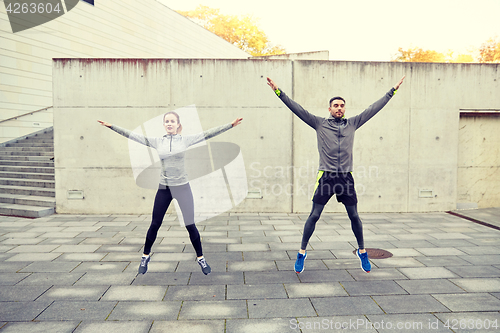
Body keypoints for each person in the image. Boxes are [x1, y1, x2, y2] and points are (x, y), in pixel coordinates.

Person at [267, 76, 405, 273]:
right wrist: (278, 91)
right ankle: (301, 252)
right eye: (335, 105)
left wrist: (392, 91)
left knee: (354, 216)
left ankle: (362, 251)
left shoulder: (353, 123)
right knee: (314, 215)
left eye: (342, 106)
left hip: (346, 178)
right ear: (329, 108)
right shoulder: (319, 123)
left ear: (344, 109)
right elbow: (297, 109)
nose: (339, 108)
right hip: (326, 177)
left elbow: (373, 109)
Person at [98, 113, 243, 275]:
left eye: (172, 121)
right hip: (164, 188)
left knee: (190, 224)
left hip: (182, 187)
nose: (169, 124)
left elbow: (208, 134)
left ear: (178, 124)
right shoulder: (158, 142)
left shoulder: (186, 140)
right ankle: (145, 256)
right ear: (164, 125)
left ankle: (201, 258)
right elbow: (133, 136)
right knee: (155, 224)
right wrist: (112, 126)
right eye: (166, 121)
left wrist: (230, 125)